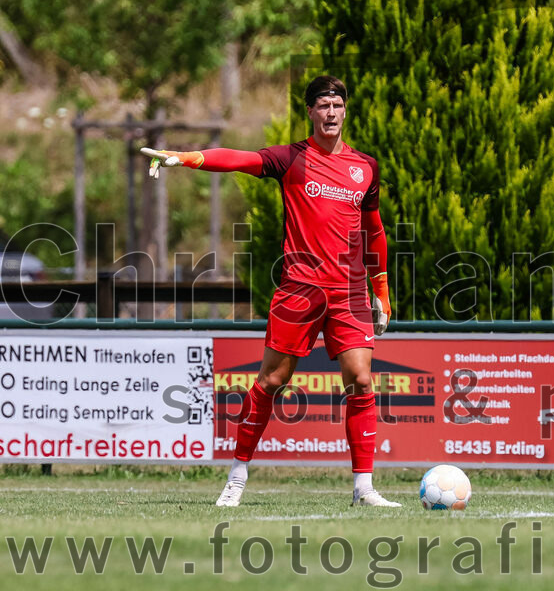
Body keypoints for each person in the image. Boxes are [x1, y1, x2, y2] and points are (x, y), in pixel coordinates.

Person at [142, 75, 400, 508]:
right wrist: (187, 158)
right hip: (300, 289)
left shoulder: (365, 167)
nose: (331, 113)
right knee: (272, 380)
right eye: (323, 106)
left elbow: (374, 230)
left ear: (346, 110)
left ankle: (364, 489)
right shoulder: (292, 159)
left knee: (360, 380)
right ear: (310, 112)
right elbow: (237, 159)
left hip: (350, 292)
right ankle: (237, 475)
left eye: (337, 105)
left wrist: (381, 287)